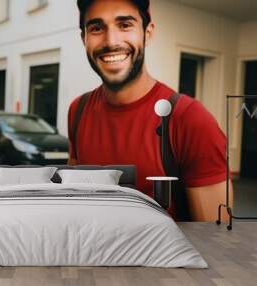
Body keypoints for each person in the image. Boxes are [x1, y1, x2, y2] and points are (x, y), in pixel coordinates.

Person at [68, 0, 233, 221]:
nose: (111, 41)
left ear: (148, 33)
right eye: (96, 28)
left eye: (125, 24)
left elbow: (217, 242)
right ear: (84, 39)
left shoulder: (190, 119)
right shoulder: (78, 110)